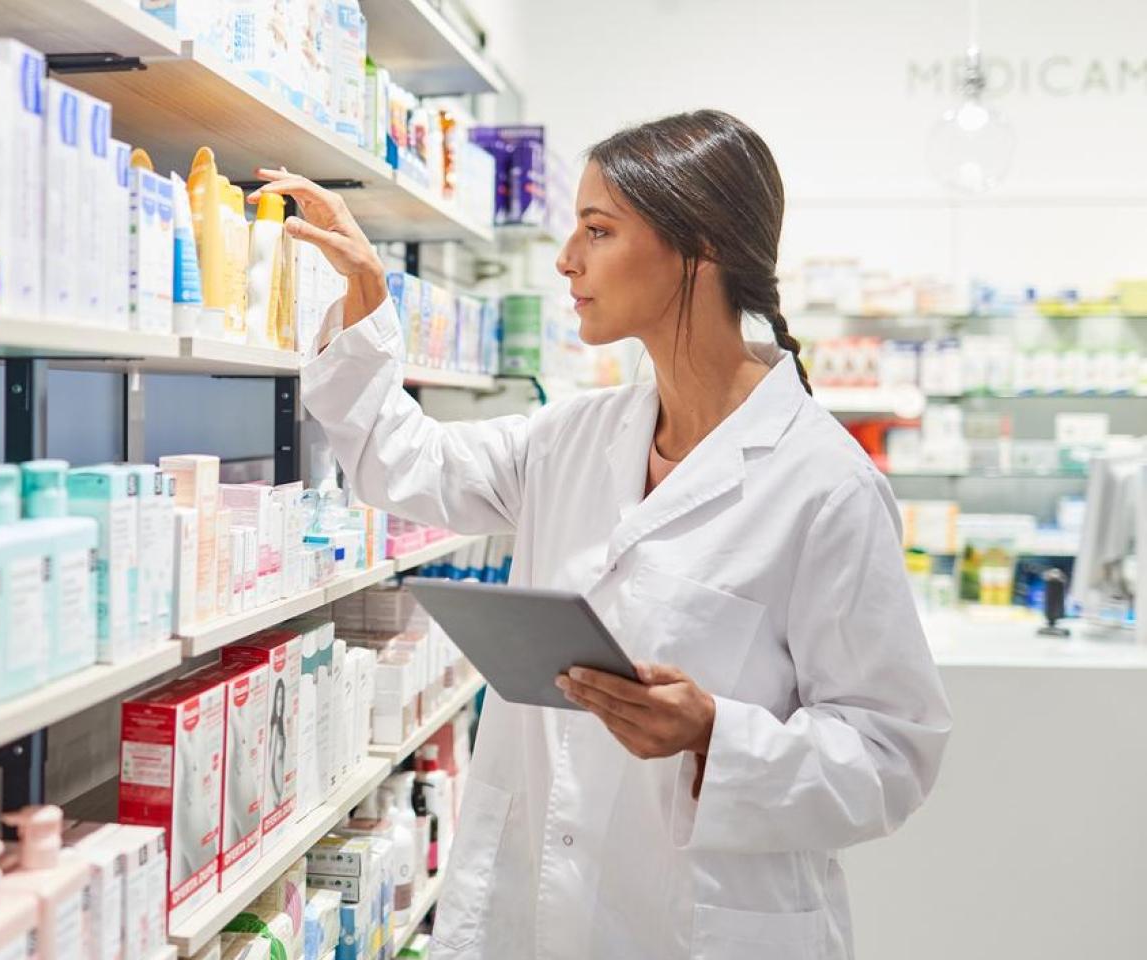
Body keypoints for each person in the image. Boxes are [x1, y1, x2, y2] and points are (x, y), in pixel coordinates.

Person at [252, 110, 952, 960]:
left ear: (700, 248)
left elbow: (892, 755)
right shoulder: (575, 436)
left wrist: (713, 736)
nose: (566, 259)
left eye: (598, 229)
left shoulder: (825, 485)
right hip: (544, 913)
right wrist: (365, 299)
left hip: (705, 927)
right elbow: (408, 467)